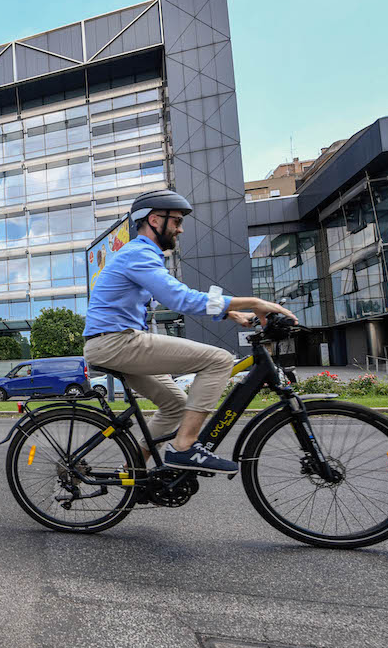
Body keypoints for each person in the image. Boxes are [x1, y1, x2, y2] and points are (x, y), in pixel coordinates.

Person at [83, 189, 296, 474]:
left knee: (175, 405)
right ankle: (184, 447)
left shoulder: (139, 255)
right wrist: (255, 302)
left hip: (114, 342)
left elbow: (179, 295)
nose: (180, 229)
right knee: (219, 360)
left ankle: (130, 471)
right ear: (155, 220)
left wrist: (229, 312)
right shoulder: (139, 254)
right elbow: (179, 298)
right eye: (177, 221)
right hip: (117, 342)